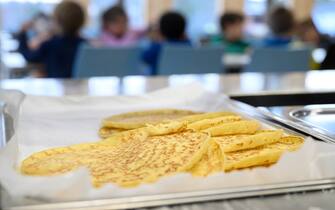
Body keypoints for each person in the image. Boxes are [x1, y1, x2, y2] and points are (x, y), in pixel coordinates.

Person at [18, 1, 86, 78]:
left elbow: (28, 57)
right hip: (80, 87)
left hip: (56, 87)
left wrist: (22, 33)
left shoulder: (50, 44)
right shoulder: (85, 45)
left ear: (57, 20)